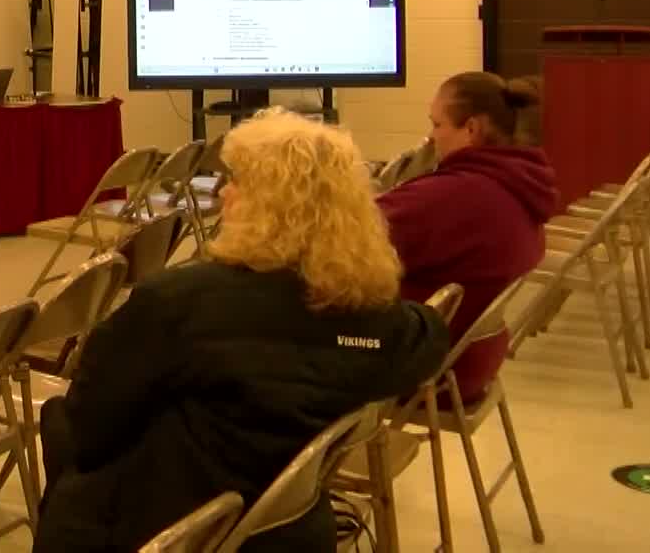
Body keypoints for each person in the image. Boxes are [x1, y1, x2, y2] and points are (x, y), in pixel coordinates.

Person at [36, 110, 449, 552]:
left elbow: (89, 427)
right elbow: (429, 335)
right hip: (288, 523)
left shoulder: (178, 302)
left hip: (180, 525)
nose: (224, 193)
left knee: (58, 418)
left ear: (267, 207)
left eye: (237, 182)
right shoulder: (374, 317)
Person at [379, 73, 556, 402]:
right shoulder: (520, 183)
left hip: (427, 368)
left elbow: (344, 238)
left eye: (437, 125)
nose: (431, 138)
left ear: (471, 129)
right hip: (471, 360)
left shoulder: (451, 196)